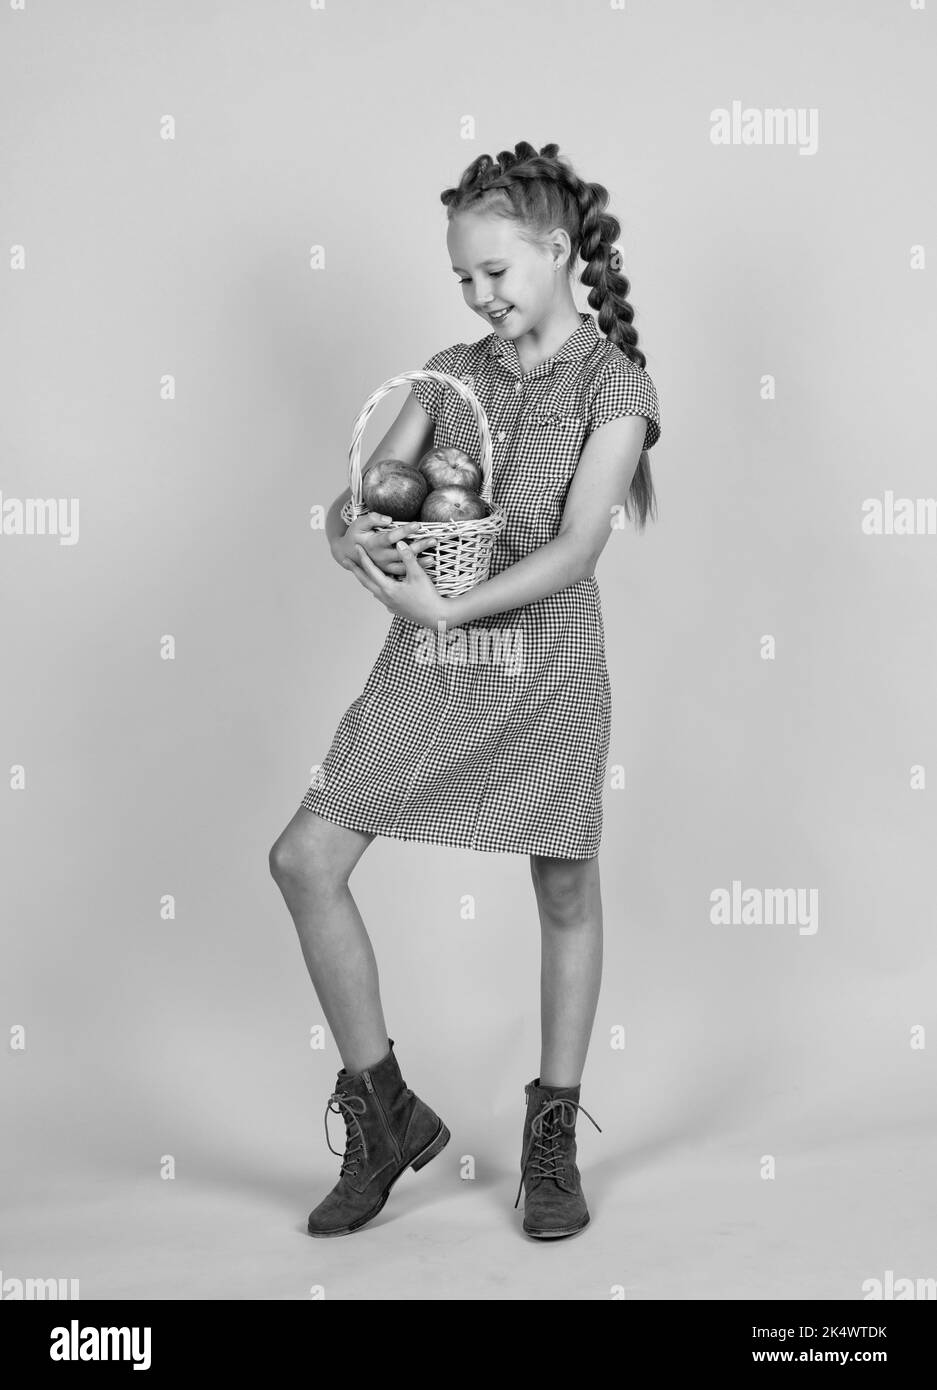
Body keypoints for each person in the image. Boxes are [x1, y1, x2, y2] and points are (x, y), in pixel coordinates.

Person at [269, 140, 662, 1240]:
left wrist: (451, 606)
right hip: (431, 667)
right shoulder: (451, 374)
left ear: (557, 249)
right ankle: (385, 1110)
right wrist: (351, 534)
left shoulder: (616, 383)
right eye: (464, 281)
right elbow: (357, 499)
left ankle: (551, 1130)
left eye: (496, 273)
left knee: (565, 892)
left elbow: (579, 548)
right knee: (305, 859)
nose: (481, 297)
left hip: (547, 670)